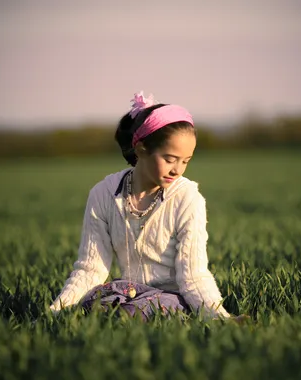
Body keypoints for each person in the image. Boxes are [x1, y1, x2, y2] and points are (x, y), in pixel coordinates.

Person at [49, 91, 237, 321]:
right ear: (141, 149)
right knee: (94, 304)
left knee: (131, 315)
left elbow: (193, 276)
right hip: (125, 292)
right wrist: (54, 314)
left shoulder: (188, 198)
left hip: (172, 298)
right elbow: (90, 269)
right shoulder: (102, 194)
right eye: (169, 159)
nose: (178, 170)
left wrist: (220, 319)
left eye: (186, 161)